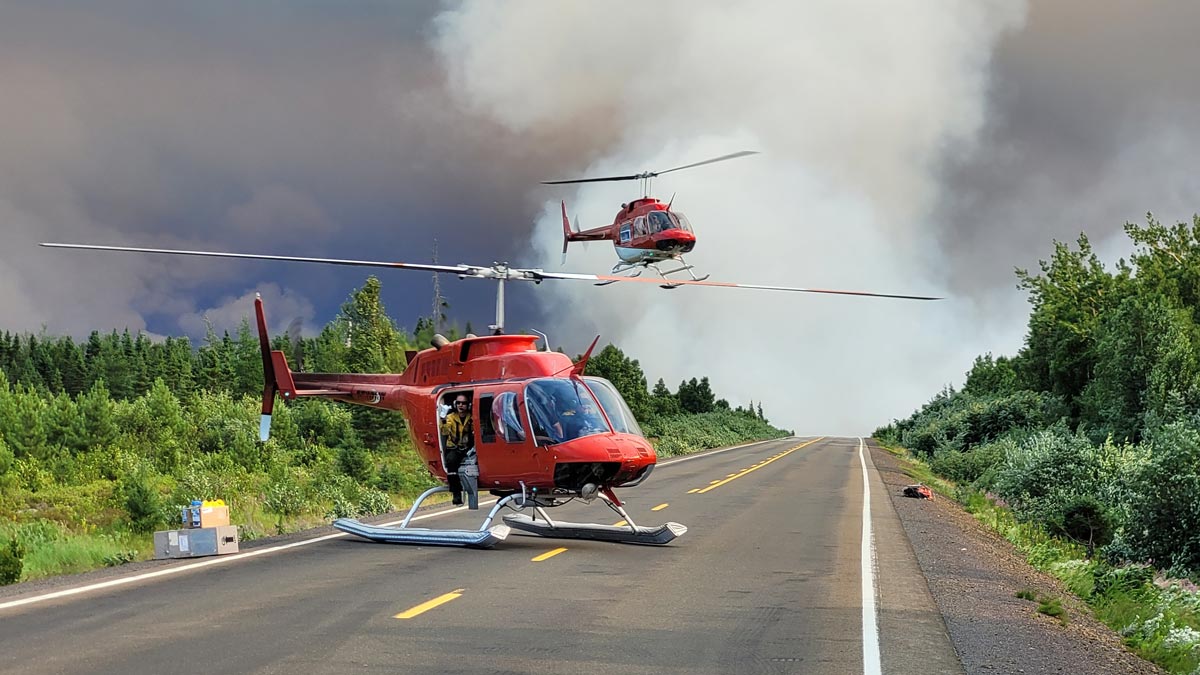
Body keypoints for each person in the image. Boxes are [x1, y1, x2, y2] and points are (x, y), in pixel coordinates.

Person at [441, 394, 474, 506]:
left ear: (468, 405)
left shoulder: (472, 417)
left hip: (469, 447)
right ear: (455, 404)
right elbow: (445, 432)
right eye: (459, 403)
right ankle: (456, 493)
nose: (461, 405)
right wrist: (443, 420)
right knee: (451, 462)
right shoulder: (450, 417)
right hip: (455, 447)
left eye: (463, 403)